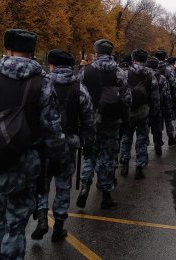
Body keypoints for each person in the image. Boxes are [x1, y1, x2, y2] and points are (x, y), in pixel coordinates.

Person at [0, 29, 67, 259]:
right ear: (32, 52)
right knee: (16, 226)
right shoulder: (43, 83)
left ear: (7, 49)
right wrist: (56, 160)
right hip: (26, 164)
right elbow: (52, 131)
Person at [32, 49, 96, 242]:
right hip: (69, 143)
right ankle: (58, 226)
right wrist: (89, 143)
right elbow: (89, 120)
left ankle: (42, 217)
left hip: (44, 143)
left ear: (51, 65)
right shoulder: (80, 88)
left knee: (42, 181)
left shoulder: (41, 85)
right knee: (63, 184)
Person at [76, 39, 131, 209]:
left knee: (89, 154)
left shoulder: (85, 71)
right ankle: (106, 195)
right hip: (111, 121)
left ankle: (85, 185)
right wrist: (123, 117)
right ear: (110, 52)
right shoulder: (119, 72)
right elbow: (127, 98)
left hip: (91, 120)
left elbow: (78, 96)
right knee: (107, 157)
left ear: (96, 51)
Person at [119, 49, 160, 179]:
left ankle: (124, 164)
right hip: (143, 112)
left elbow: (120, 94)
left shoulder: (125, 73)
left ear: (133, 58)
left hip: (128, 112)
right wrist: (154, 112)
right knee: (142, 140)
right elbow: (155, 97)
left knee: (126, 138)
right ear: (145, 59)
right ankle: (139, 168)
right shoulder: (150, 75)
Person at [146, 57, 174, 155]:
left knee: (144, 129)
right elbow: (166, 94)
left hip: (143, 107)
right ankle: (158, 147)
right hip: (158, 107)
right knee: (157, 128)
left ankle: (143, 150)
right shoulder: (161, 77)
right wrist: (168, 107)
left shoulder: (141, 75)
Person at [154, 50, 176, 145]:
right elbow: (173, 84)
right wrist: (175, 98)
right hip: (167, 98)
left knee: (156, 120)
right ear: (165, 58)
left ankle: (158, 142)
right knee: (168, 118)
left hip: (154, 98)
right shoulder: (168, 69)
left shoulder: (150, 67)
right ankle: (171, 137)